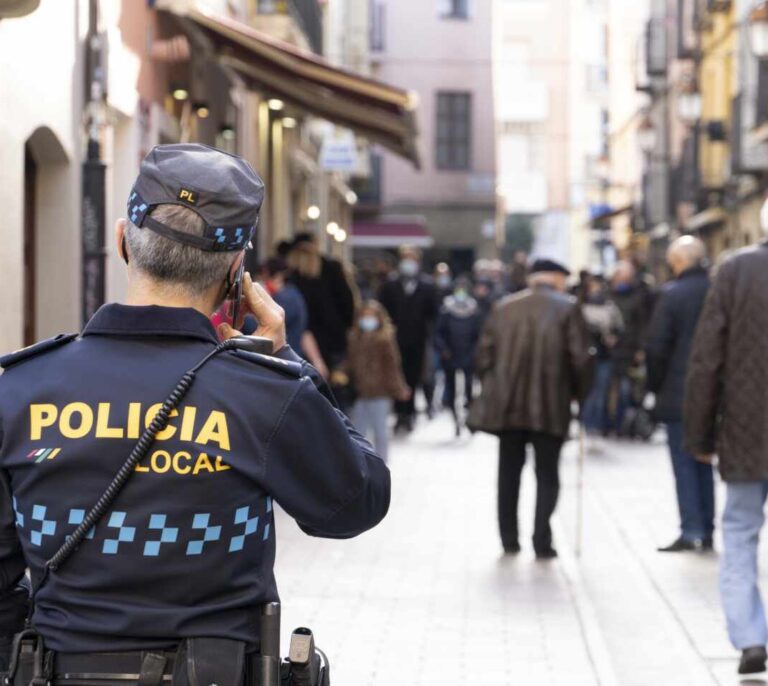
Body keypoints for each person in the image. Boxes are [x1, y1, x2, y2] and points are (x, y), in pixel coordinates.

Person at [0, 144, 390, 676]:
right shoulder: (265, 392)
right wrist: (287, 359)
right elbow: (357, 501)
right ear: (236, 272)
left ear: (122, 241)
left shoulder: (20, 387)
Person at [685, 201, 768, 676]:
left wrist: (699, 432)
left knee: (739, 530)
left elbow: (707, 360)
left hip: (744, 429)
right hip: (746, 428)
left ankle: (750, 637)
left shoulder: (735, 271)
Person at [468, 259, 593, 558]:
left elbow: (482, 358)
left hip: (508, 406)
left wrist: (497, 383)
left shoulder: (504, 308)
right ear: (555, 279)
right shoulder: (568, 308)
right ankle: (541, 539)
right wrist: (578, 394)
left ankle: (509, 538)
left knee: (508, 473)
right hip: (550, 405)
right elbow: (581, 360)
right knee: (547, 474)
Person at [647, 236, 713, 553]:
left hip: (679, 391)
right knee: (703, 460)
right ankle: (707, 527)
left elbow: (657, 347)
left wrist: (653, 386)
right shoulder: (717, 289)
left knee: (685, 462)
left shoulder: (672, 296)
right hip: (714, 390)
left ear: (677, 262)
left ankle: (692, 528)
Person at [378, 245, 439, 433]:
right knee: (396, 374)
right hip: (394, 339)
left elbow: (434, 314)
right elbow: (382, 311)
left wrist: (429, 335)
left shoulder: (428, 286)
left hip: (418, 340)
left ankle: (410, 412)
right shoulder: (389, 285)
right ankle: (399, 413)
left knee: (413, 376)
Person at [345, 301, 410, 463]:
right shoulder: (354, 338)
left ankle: (381, 463)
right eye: (364, 316)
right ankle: (359, 463)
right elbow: (350, 362)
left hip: (380, 391)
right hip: (361, 391)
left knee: (380, 430)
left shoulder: (384, 339)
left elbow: (392, 365)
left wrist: (399, 388)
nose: (368, 320)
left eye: (371, 316)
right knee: (359, 430)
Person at [286, 232, 357, 371]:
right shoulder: (331, 269)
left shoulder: (290, 276)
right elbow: (347, 302)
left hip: (299, 338)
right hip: (332, 336)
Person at [261, 256, 329, 378]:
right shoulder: (292, 295)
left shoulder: (286, 299)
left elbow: (263, 325)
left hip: (282, 363)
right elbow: (304, 332)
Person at [608, 260, 654, 433]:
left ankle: (625, 424)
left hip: (630, 350)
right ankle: (612, 423)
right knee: (609, 389)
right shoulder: (608, 293)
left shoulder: (639, 295)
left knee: (628, 390)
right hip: (610, 351)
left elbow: (643, 324)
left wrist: (641, 348)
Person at [580, 273, 624, 439]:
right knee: (589, 393)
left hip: (604, 355)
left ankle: (597, 424)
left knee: (601, 392)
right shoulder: (579, 306)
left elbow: (619, 329)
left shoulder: (610, 307)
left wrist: (613, 339)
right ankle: (587, 423)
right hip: (586, 357)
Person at [435, 277, 482, 413]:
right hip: (450, 354)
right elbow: (438, 333)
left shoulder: (474, 309)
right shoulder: (446, 309)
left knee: (468, 385)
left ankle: (468, 409)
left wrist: (474, 351)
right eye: (458, 289)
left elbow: (478, 334)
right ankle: (452, 409)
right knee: (451, 386)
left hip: (468, 354)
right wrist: (443, 349)